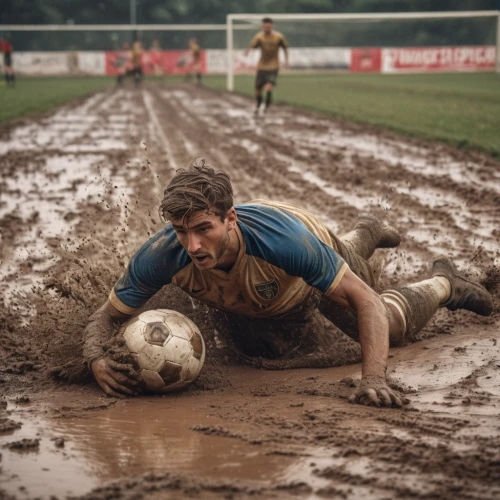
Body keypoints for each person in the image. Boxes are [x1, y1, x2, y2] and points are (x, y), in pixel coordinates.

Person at [83, 162, 493, 406]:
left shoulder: (282, 243)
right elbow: (105, 319)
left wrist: (373, 380)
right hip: (272, 286)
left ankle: (444, 282)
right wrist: (96, 360)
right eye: (180, 231)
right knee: (259, 349)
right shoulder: (161, 254)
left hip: (307, 256)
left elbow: (364, 301)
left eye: (203, 229)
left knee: (387, 321)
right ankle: (366, 230)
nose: (192, 245)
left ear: (230, 219)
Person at [244, 18, 289, 117]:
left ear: (272, 26)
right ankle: (258, 104)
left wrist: (286, 61)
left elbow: (285, 47)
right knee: (258, 88)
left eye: (268, 26)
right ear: (263, 26)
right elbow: (252, 46)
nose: (267, 28)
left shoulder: (278, 37)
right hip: (262, 65)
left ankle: (266, 107)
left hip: (273, 66)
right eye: (265, 26)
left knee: (269, 86)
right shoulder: (259, 37)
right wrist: (248, 51)